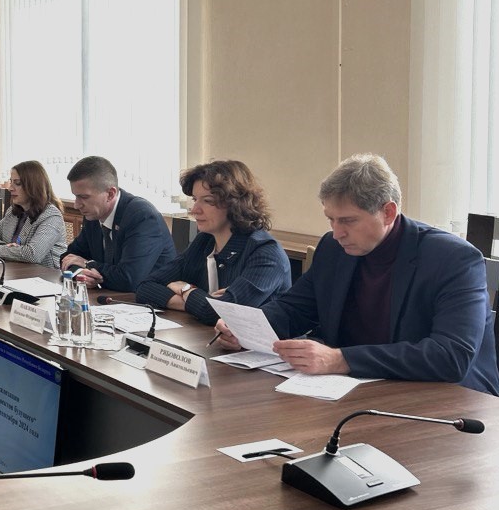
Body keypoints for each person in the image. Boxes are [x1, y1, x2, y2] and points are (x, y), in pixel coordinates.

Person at [215, 154, 499, 395]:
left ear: (388, 212)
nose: (337, 232)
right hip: (356, 390)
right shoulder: (333, 248)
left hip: (447, 401)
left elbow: (451, 356)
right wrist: (245, 329)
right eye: (331, 219)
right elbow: (295, 308)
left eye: (348, 221)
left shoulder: (453, 259)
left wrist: (341, 359)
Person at [135, 160, 291, 324]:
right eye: (195, 199)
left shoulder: (266, 254)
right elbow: (145, 287)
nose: (195, 210)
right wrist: (196, 303)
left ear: (236, 203)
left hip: (262, 341)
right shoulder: (205, 241)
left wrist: (186, 289)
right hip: (211, 336)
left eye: (208, 201)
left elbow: (222, 313)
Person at [59, 156, 176, 291]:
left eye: (84, 197)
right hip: (111, 297)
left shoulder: (142, 217)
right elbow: (68, 257)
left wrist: (88, 264)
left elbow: (129, 279)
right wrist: (81, 273)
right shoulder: (93, 215)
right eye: (75, 196)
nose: (76, 205)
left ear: (110, 194)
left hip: (150, 300)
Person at [0, 160, 68, 267]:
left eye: (17, 183)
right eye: (11, 182)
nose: (10, 188)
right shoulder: (13, 212)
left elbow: (32, 254)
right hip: (15, 272)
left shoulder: (51, 216)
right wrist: (5, 247)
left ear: (34, 186)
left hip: (46, 275)